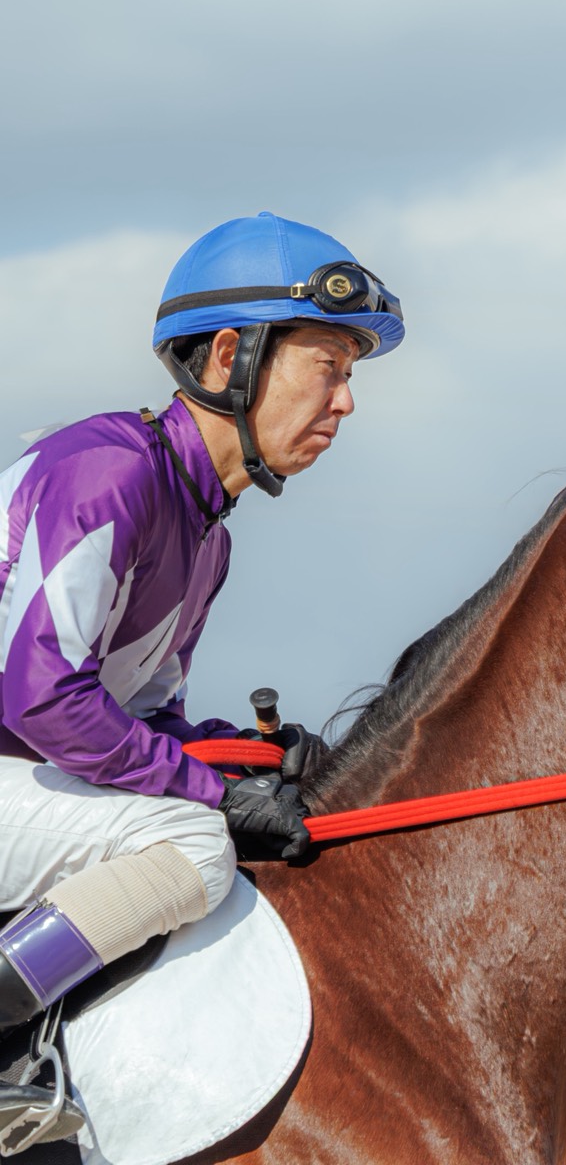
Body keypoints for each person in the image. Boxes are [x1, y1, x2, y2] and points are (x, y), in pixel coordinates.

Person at [0, 211, 404, 1149]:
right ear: (230, 356)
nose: (346, 402)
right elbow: (41, 697)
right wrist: (215, 795)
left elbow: (140, 724)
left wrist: (251, 757)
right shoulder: (108, 473)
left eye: (349, 375)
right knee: (192, 843)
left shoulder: (205, 535)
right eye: (328, 367)